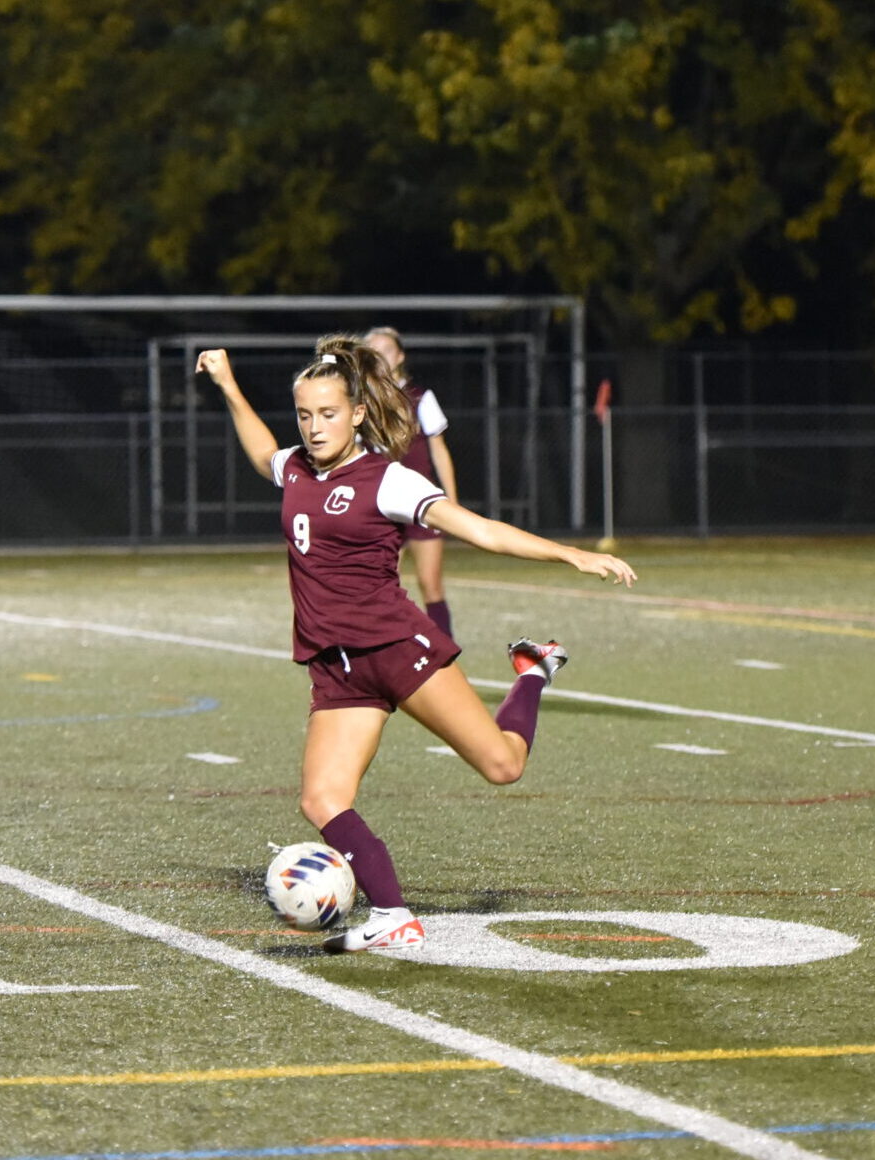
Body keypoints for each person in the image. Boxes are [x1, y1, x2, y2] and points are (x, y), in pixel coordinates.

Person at [198, 337, 635, 953]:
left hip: (398, 651)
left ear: (355, 414)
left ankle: (533, 672)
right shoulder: (294, 465)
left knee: (503, 766)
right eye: (304, 415)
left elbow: (478, 529)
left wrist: (571, 554)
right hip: (337, 668)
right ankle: (393, 915)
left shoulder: (388, 478)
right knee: (321, 798)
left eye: (328, 414)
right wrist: (228, 385)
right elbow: (262, 451)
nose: (315, 427)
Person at [363, 326, 459, 639]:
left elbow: (440, 452)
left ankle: (446, 661)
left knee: (431, 586)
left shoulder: (421, 398)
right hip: (380, 507)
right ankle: (388, 662)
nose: (380, 356)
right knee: (378, 589)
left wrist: (452, 505)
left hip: (420, 504)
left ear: (400, 356)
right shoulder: (359, 404)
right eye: (372, 351)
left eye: (386, 350)